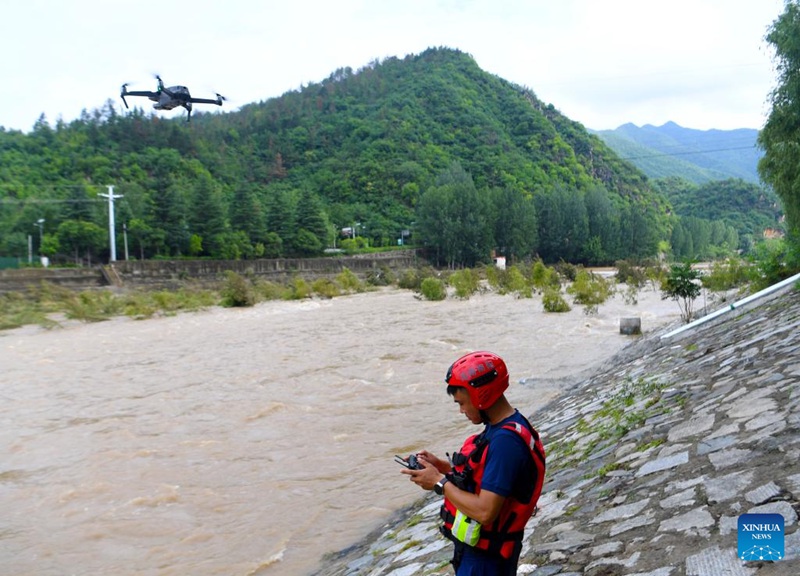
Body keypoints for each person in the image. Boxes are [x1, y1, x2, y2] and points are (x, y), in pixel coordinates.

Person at [401, 351, 546, 576]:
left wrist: (439, 483)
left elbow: (485, 512)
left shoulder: (505, 442)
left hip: (485, 560)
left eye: (461, 403)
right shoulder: (505, 426)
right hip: (482, 553)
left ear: (481, 396)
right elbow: (485, 476)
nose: (461, 411)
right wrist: (441, 467)